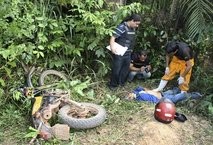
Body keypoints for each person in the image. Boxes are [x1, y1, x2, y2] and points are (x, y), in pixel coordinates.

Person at [108, 14, 141, 90]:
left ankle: (121, 83)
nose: (137, 26)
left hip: (128, 53)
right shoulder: (122, 27)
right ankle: (113, 85)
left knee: (125, 70)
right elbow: (113, 38)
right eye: (136, 24)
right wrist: (112, 48)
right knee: (116, 69)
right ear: (132, 20)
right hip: (119, 53)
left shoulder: (133, 29)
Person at [125, 86, 202, 104]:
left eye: (128, 95)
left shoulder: (137, 91)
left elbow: (140, 87)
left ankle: (179, 88)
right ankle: (196, 95)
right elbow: (153, 100)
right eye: (129, 98)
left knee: (173, 91)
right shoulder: (140, 98)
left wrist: (149, 90)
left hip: (162, 93)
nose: (130, 96)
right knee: (177, 97)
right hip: (162, 98)